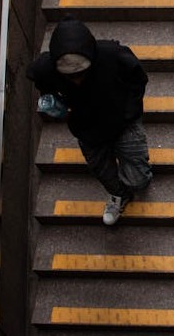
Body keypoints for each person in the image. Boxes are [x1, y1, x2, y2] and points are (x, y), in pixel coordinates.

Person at [27, 15, 152, 225]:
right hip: (87, 129)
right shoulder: (45, 69)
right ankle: (118, 195)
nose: (77, 80)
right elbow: (40, 82)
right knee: (103, 171)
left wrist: (130, 113)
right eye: (70, 76)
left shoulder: (112, 54)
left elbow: (138, 78)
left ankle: (134, 178)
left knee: (139, 179)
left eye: (82, 73)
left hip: (123, 123)